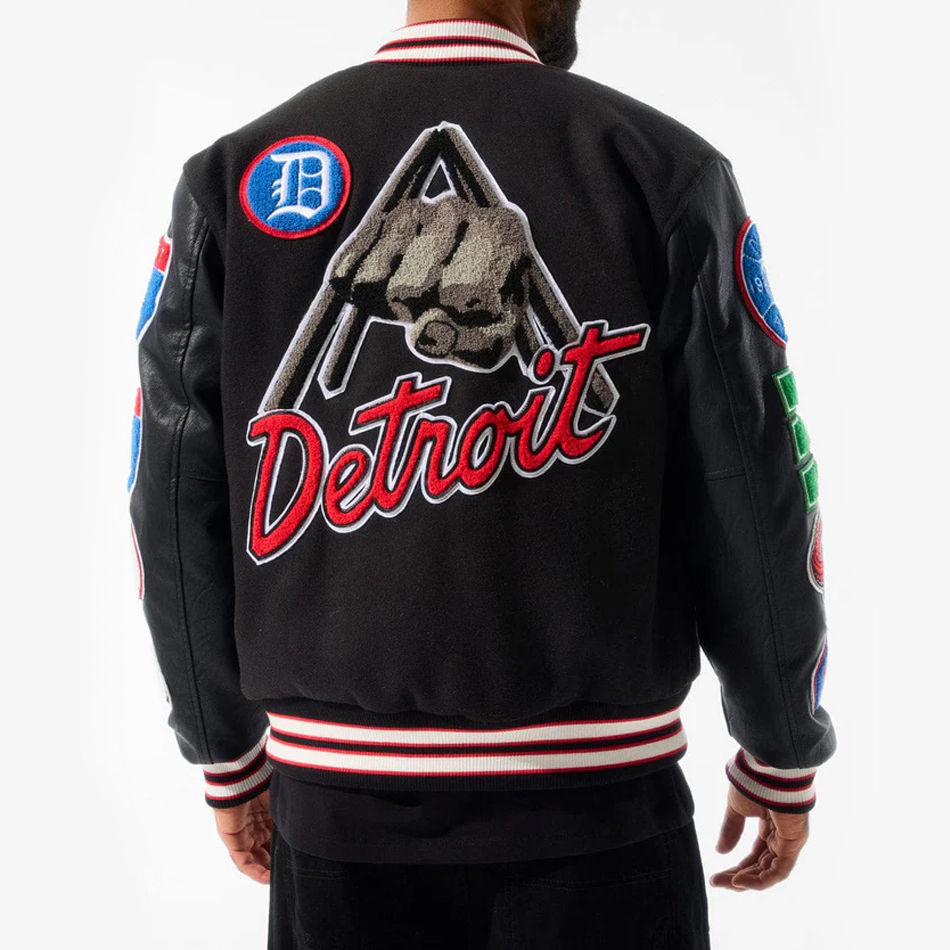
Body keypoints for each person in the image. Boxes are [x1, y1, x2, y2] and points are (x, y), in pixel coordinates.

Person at [127, 1, 836, 946]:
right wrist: (781, 741)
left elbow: (171, 494)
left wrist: (223, 749)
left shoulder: (234, 177)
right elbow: (752, 479)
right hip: (603, 822)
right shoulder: (661, 167)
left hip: (337, 828)